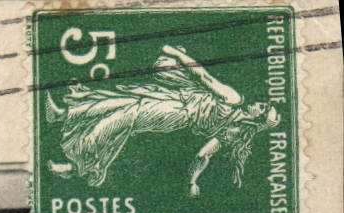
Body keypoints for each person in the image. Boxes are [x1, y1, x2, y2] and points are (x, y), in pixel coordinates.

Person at [44, 44, 283, 196]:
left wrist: (177, 54)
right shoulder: (232, 127)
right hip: (178, 98)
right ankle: (63, 114)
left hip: (176, 112)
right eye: (262, 104)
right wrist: (192, 182)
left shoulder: (234, 102)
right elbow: (203, 155)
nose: (258, 103)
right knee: (122, 100)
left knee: (126, 116)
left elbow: (205, 78)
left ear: (258, 119)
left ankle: (77, 166)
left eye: (262, 108)